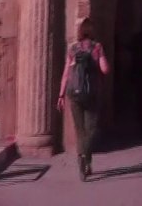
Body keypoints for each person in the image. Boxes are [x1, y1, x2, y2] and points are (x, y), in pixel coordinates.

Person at [57, 18, 110, 181]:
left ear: (80, 31)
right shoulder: (97, 47)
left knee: (80, 130)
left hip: (74, 93)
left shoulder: (73, 49)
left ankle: (84, 159)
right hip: (92, 93)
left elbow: (66, 73)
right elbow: (105, 69)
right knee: (90, 130)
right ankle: (84, 158)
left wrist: (60, 95)